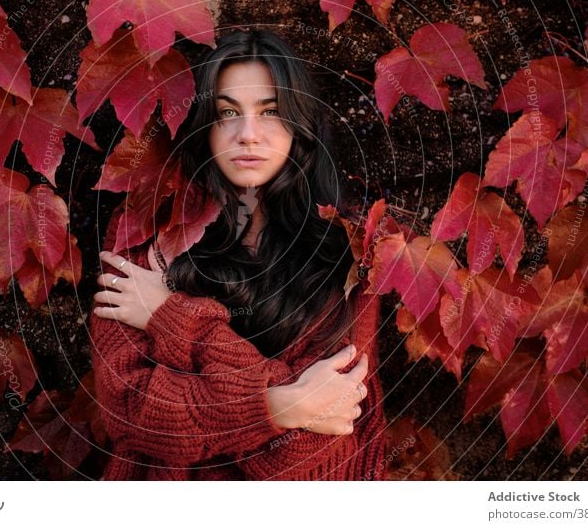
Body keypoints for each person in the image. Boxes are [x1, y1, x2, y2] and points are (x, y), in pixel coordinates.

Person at [88, 29, 387, 480]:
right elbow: (129, 410)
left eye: (270, 112)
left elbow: (312, 441)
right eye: (228, 113)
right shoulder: (145, 231)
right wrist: (281, 404)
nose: (248, 135)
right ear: (205, 128)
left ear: (298, 124)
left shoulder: (347, 250)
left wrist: (172, 318)